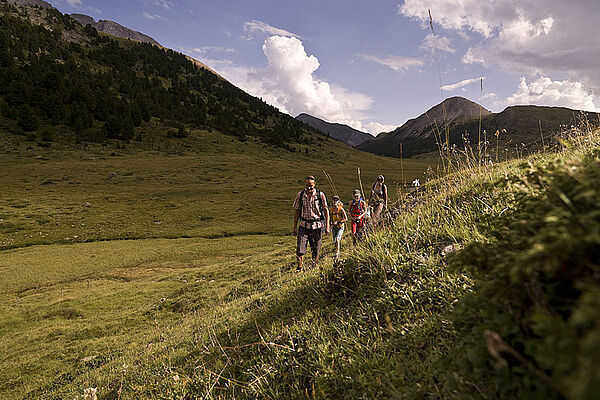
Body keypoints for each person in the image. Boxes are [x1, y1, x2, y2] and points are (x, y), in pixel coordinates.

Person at [293, 176, 330, 271]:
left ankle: (314, 267)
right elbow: (297, 211)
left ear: (315, 184)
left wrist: (327, 226)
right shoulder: (300, 195)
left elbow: (326, 210)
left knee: (316, 249)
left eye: (311, 186)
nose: (309, 188)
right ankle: (299, 269)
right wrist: (294, 227)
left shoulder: (320, 195)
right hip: (303, 225)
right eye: (307, 186)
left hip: (317, 225)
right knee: (300, 248)